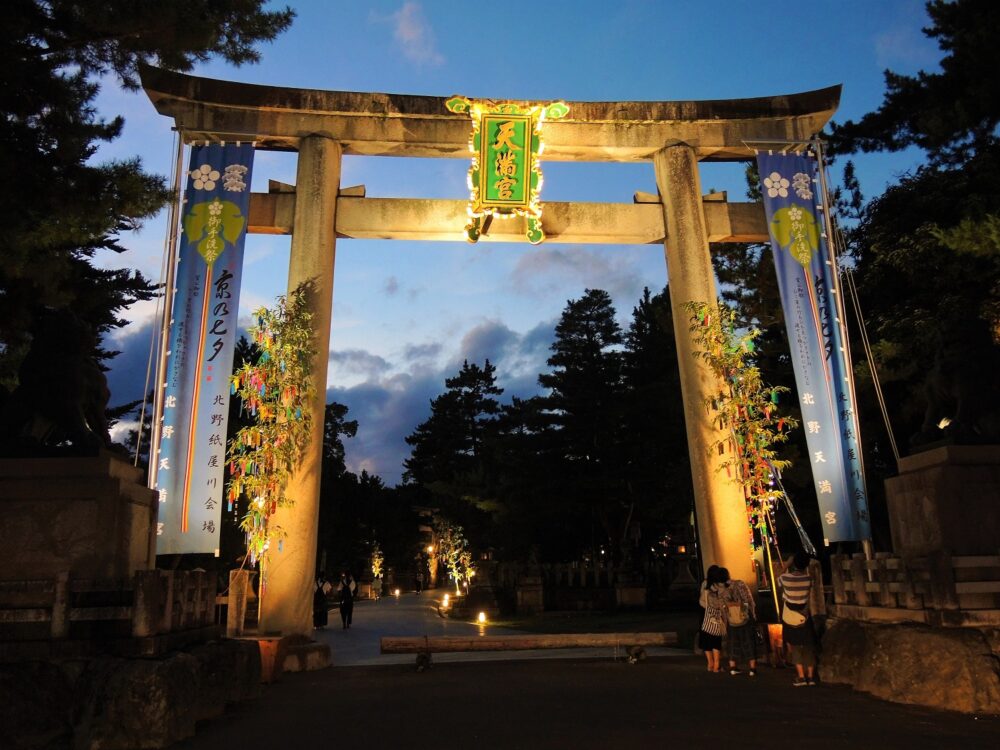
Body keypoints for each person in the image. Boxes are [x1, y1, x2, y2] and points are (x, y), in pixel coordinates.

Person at [780, 550, 818, 686]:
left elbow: (780, 576)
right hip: (804, 615)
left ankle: (801, 677)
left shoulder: (786, 578)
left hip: (790, 616)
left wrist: (786, 565)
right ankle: (811, 677)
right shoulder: (808, 579)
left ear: (794, 563)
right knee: (808, 645)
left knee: (795, 645)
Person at [718, 567, 759, 677]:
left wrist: (727, 618)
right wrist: (747, 614)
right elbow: (747, 600)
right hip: (745, 618)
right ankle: (752, 669)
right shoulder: (739, 584)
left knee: (732, 643)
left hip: (731, 620)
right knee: (748, 641)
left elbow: (723, 607)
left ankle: (733, 667)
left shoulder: (720, 590)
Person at [697, 565, 726, 673]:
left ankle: (710, 664)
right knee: (715, 638)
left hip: (704, 612)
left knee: (706, 638)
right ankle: (717, 665)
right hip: (715, 613)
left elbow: (701, 597)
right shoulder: (719, 585)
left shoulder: (704, 583)